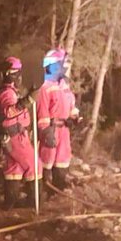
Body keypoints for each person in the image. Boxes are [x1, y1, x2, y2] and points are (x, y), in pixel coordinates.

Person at [0, 57, 40, 208]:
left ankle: (9, 203)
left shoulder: (9, 91)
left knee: (14, 169)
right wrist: (28, 100)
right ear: (12, 74)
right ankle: (34, 203)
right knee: (34, 166)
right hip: (15, 137)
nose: (20, 76)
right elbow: (9, 112)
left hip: (11, 136)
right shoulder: (7, 93)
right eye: (18, 73)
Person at [36, 48, 81, 192]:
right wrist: (45, 131)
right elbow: (42, 112)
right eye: (63, 64)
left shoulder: (64, 86)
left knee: (62, 158)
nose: (66, 68)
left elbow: (71, 104)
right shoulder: (44, 87)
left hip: (64, 130)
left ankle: (59, 187)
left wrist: (75, 118)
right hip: (51, 129)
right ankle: (42, 188)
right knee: (47, 158)